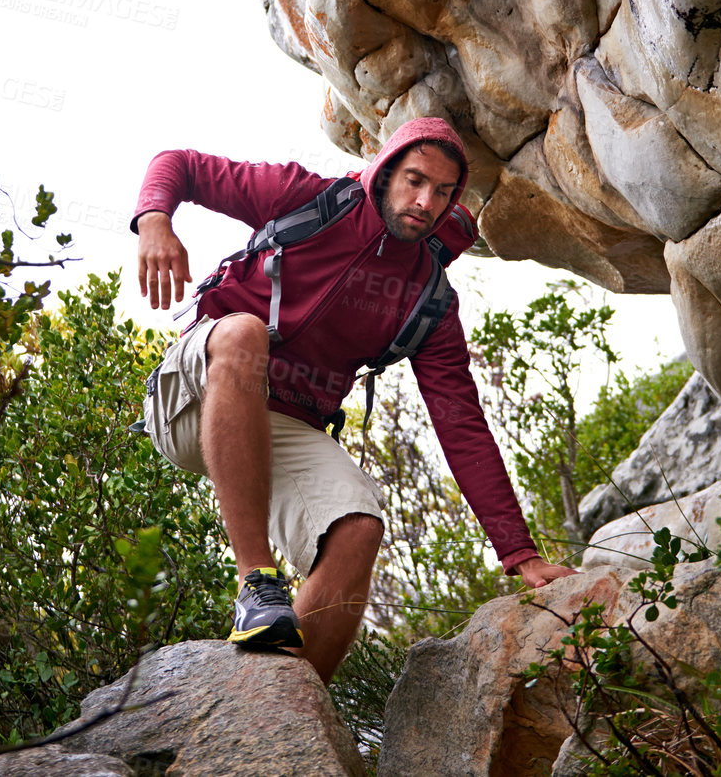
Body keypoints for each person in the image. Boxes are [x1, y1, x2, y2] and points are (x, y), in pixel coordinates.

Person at [132, 116, 577, 682]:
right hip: (196, 394)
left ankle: (286, 710)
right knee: (244, 333)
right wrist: (154, 221)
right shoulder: (313, 201)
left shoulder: (431, 303)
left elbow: (461, 425)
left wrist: (520, 554)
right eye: (415, 180)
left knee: (357, 527)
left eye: (443, 193)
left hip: (283, 426)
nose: (425, 202)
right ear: (385, 170)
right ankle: (255, 583)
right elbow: (180, 165)